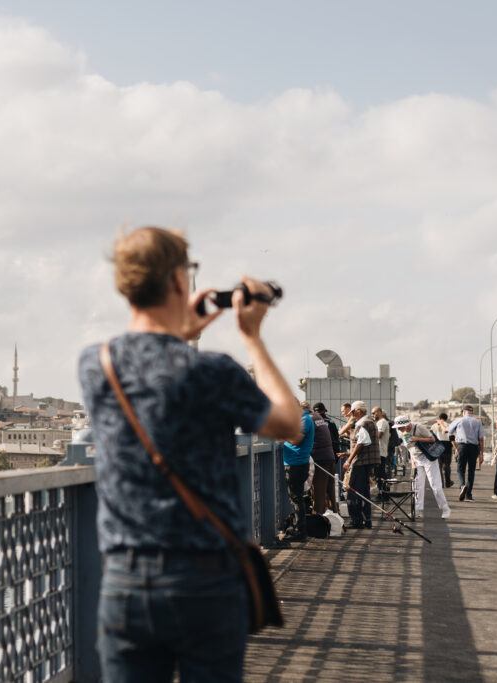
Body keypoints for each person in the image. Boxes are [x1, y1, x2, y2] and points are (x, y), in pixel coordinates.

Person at [78, 226, 300, 682]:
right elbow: (288, 425)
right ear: (180, 281)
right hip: (205, 579)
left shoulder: (95, 364)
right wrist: (252, 336)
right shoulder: (213, 372)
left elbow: (155, 374)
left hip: (125, 578)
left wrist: (178, 332)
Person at [393, 416, 451, 519]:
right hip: (417, 460)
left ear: (406, 425)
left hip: (428, 458)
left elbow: (432, 439)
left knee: (435, 485)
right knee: (417, 486)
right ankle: (417, 510)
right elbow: (410, 448)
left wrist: (417, 438)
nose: (399, 429)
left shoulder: (418, 428)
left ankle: (445, 508)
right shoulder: (403, 433)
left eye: (400, 427)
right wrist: (412, 461)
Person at [338, 401, 380, 529]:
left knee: (353, 492)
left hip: (360, 463)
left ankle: (356, 520)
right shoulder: (369, 422)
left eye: (353, 412)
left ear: (358, 411)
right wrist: (349, 454)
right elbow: (364, 443)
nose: (352, 415)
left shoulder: (363, 424)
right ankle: (367, 520)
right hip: (366, 461)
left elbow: (361, 443)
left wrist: (349, 460)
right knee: (364, 492)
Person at [281, 400, 315, 541]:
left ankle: (300, 531)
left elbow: (295, 440)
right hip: (295, 462)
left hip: (297, 464)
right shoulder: (303, 419)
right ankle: (297, 529)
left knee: (296, 498)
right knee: (296, 498)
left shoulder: (304, 420)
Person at [447, 404, 485, 502]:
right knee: (471, 471)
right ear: (472, 412)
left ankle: (462, 486)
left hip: (462, 446)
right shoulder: (478, 422)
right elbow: (481, 439)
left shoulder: (459, 420)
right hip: (474, 447)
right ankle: (468, 495)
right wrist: (481, 454)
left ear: (463, 412)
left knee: (460, 469)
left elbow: (448, 431)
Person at [310, 402, 339, 514]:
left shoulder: (311, 421)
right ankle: (336, 518)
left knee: (319, 493)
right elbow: (336, 440)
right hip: (330, 457)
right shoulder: (329, 422)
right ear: (324, 411)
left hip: (319, 459)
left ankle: (320, 521)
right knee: (331, 491)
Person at [432, 412, 455, 487]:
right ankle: (448, 482)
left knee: (439, 466)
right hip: (447, 447)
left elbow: (431, 437)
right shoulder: (449, 426)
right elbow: (452, 438)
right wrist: (456, 448)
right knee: (447, 466)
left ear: (439, 418)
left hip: (437, 446)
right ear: (446, 418)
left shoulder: (434, 426)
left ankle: (441, 483)